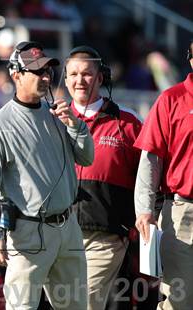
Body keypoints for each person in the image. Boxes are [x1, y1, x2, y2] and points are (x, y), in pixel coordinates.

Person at [0, 41, 94, 309]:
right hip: (28, 232)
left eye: (48, 70)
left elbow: (87, 158)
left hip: (68, 228)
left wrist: (76, 125)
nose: (45, 77)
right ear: (16, 74)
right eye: (37, 71)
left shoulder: (58, 115)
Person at [64, 46, 143, 309]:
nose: (79, 80)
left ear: (100, 78)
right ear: (64, 80)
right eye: (73, 74)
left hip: (106, 236)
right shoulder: (51, 122)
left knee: (83, 302)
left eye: (87, 74)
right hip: (58, 233)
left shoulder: (128, 124)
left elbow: (147, 180)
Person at [134, 41, 193, 310]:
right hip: (183, 214)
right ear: (191, 60)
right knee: (179, 302)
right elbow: (150, 161)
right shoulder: (171, 99)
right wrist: (144, 210)